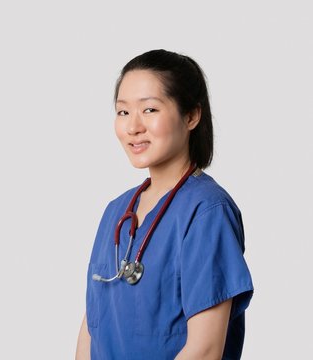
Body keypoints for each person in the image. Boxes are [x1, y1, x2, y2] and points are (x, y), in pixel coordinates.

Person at [75, 49, 254, 359]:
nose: (133, 127)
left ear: (191, 116)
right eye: (123, 112)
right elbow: (91, 328)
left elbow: (205, 350)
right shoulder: (116, 213)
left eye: (150, 110)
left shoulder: (207, 212)